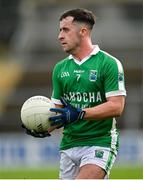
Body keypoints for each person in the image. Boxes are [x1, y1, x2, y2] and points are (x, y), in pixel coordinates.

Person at [22, 8, 126, 179]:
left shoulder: (109, 63)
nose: (59, 36)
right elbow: (59, 112)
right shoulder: (60, 69)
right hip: (69, 145)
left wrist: (80, 114)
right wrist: (42, 125)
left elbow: (116, 106)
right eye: (59, 30)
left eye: (65, 30)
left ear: (83, 32)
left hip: (100, 142)